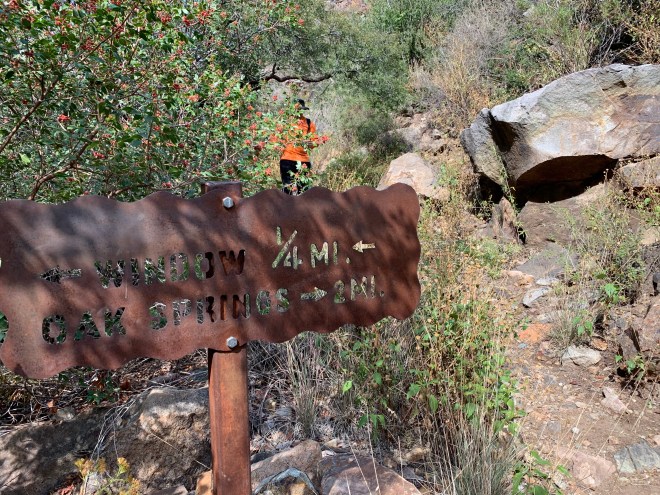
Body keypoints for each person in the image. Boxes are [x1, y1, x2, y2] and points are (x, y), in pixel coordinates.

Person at [279, 99, 317, 195]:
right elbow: (275, 139)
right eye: (296, 109)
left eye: (300, 109)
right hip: (287, 160)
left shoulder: (308, 123)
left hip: (304, 161)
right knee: (287, 190)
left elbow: (315, 142)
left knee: (304, 192)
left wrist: (311, 143)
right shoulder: (285, 122)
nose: (298, 111)